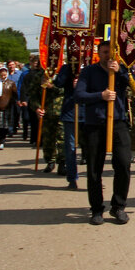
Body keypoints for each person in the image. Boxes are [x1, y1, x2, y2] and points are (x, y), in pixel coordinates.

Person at [75, 41, 133, 225]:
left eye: (111, 52)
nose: (108, 55)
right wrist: (100, 95)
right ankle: (97, 209)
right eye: (105, 52)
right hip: (95, 124)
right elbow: (79, 95)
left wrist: (121, 72)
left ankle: (118, 206)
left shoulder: (120, 71)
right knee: (94, 169)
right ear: (99, 53)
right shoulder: (89, 72)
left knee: (123, 164)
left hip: (118, 123)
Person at [52, 59, 81, 191]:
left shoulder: (93, 65)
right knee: (70, 147)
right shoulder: (67, 68)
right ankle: (72, 178)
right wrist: (69, 71)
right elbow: (58, 83)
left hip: (90, 112)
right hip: (71, 112)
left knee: (93, 148)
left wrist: (82, 83)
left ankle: (95, 178)